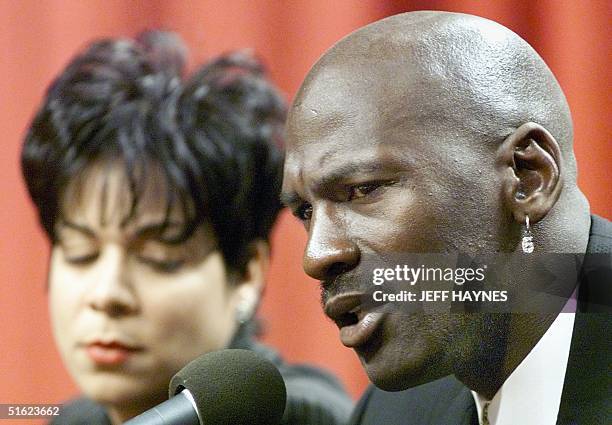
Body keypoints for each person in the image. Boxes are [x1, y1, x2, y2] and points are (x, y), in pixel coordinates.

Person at [281, 11, 610, 425]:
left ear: (528, 177)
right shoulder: (391, 414)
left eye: (364, 189)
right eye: (305, 212)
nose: (318, 255)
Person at [22, 31, 352, 425]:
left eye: (157, 258)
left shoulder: (299, 415)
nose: (106, 294)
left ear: (248, 273)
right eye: (81, 252)